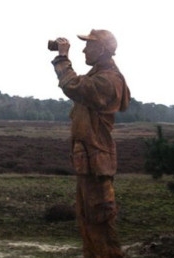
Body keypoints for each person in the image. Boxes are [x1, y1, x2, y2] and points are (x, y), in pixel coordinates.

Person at [50, 29, 130, 258]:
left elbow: (73, 86)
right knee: (87, 222)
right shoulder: (98, 76)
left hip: (97, 161)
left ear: (103, 49)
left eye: (89, 45)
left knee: (100, 219)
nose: (84, 49)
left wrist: (63, 58)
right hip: (88, 161)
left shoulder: (109, 79)